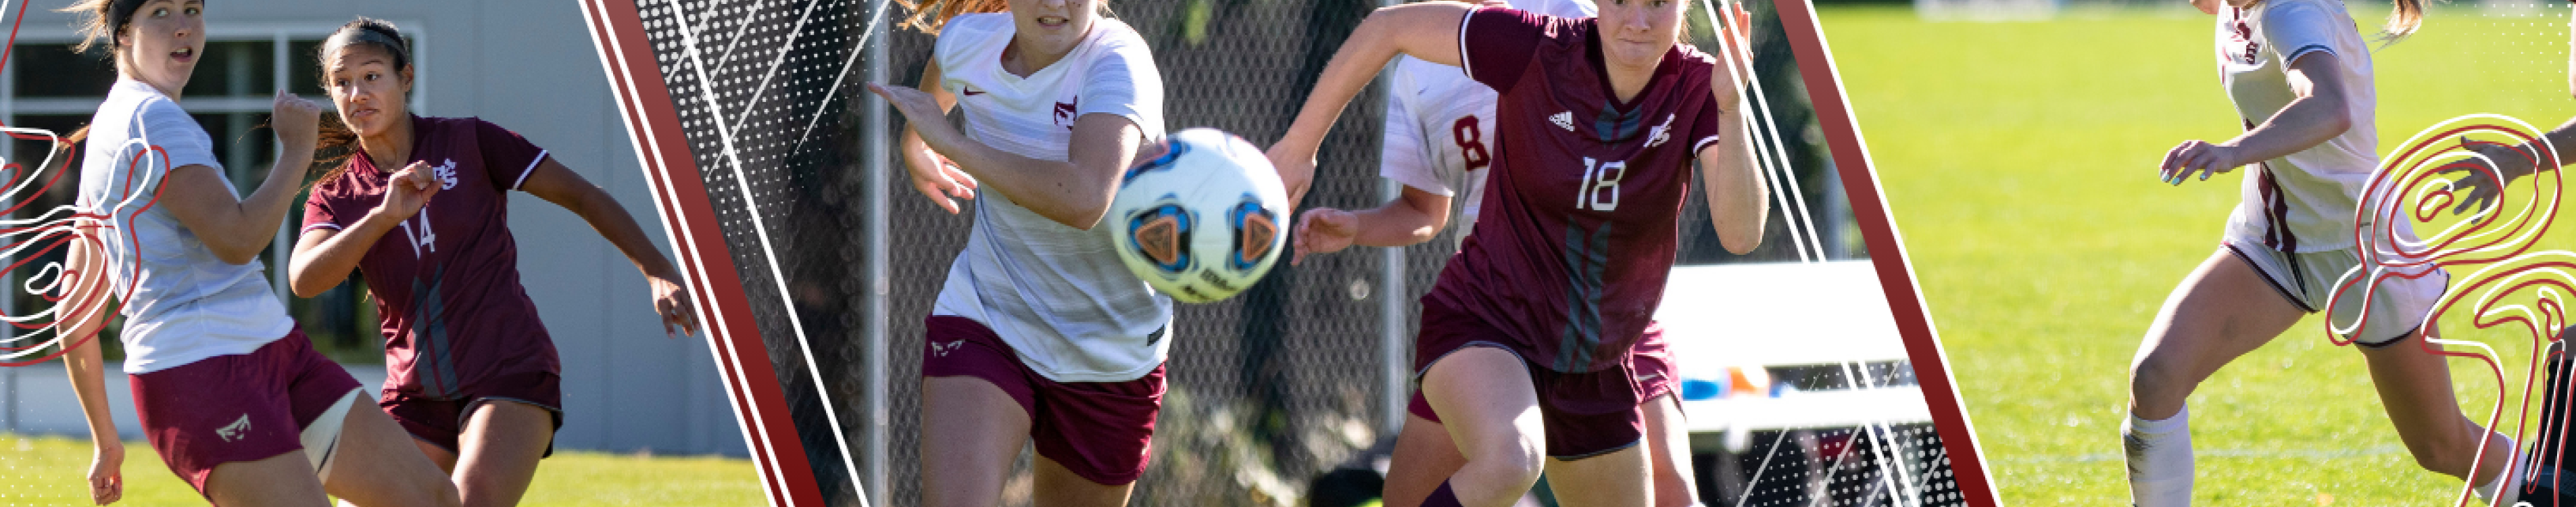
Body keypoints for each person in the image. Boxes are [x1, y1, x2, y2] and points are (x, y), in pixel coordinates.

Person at [1268, 0, 1767, 505]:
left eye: (1658, 4)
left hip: (1595, 356)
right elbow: (1388, 27)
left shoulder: (1700, 86)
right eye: (1621, 0)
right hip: (1488, 318)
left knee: (1671, 493)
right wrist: (1297, 148)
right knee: (1512, 458)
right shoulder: (1534, 46)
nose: (1638, 20)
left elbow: (1741, 235)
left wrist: (1731, 107)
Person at [55, 1, 460, 505]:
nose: (183, 25)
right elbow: (237, 239)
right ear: (122, 35)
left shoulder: (120, 123)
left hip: (273, 346)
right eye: (160, 11)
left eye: (192, 9)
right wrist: (294, 152)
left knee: (434, 498)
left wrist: (105, 440)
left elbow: (72, 307)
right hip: (199, 369)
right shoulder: (148, 120)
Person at [285, 18, 699, 507]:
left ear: (406, 78)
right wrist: (382, 217)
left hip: (509, 370)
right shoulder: (335, 195)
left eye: (372, 76)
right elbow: (305, 280)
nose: (357, 93)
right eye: (341, 82)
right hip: (414, 395)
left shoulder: (471, 142)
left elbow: (584, 196)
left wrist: (657, 270)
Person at [2123, 0, 2523, 503]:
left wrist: (2231, 152)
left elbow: (2330, 107)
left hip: (2360, 248)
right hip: (2270, 241)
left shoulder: (2292, 12)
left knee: (2441, 447)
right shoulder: (2235, 9)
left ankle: (2541, 485)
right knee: (2156, 377)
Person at [865, 0, 1170, 504]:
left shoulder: (1118, 61)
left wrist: (949, 142)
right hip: (988, 316)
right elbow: (944, 66)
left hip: (1109, 352)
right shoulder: (970, 39)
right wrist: (916, 145)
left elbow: (1084, 198)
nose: (1054, 4)